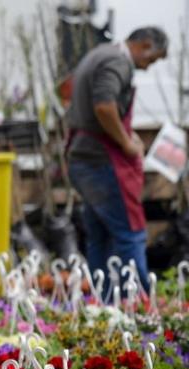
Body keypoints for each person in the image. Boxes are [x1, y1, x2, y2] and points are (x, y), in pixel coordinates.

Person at [66, 26, 168, 298]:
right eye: (152, 59)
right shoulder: (117, 62)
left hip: (83, 158)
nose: (148, 67)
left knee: (100, 235)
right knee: (130, 233)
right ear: (144, 45)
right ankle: (141, 303)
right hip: (102, 161)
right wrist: (125, 141)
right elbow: (103, 105)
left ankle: (106, 301)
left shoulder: (100, 54)